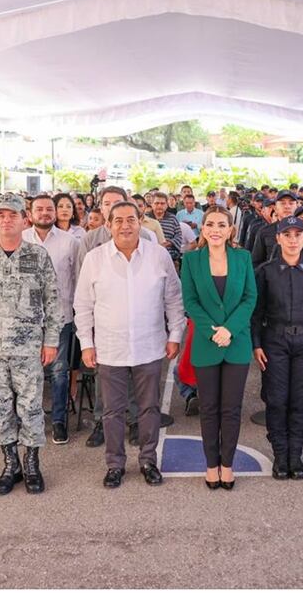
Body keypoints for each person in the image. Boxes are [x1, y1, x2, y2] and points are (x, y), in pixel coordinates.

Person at [74, 201, 185, 489]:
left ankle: (148, 460)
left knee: (149, 409)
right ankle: (115, 465)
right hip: (110, 349)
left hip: (149, 347)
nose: (125, 226)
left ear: (140, 222)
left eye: (131, 220)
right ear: (108, 225)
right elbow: (83, 305)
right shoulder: (95, 259)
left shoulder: (158, 255)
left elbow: (173, 299)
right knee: (112, 411)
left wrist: (175, 335)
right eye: (118, 220)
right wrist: (86, 343)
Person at [0, 193, 62, 495]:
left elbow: (53, 300)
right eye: (1, 215)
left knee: (30, 407)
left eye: (13, 215)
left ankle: (32, 464)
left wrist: (51, 340)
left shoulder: (38, 255)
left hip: (29, 347)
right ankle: (11, 465)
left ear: (24, 220)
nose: (6, 220)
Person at [75, 186, 158, 448]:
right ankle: (101, 422)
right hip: (104, 324)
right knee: (106, 380)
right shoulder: (90, 240)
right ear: (102, 210)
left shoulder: (145, 236)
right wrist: (88, 334)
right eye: (107, 204)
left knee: (136, 377)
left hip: (140, 325)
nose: (113, 208)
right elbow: (83, 286)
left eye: (118, 203)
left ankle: (134, 422)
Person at [181, 207, 257, 490]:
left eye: (221, 225)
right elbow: (190, 301)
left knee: (231, 409)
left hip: (236, 343)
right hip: (206, 342)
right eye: (210, 224)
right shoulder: (191, 260)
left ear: (230, 230)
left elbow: (250, 297)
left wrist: (229, 329)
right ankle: (211, 465)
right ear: (203, 228)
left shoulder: (243, 257)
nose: (215, 229)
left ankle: (228, 465)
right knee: (209, 408)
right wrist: (213, 331)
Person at [251, 216, 303, 480]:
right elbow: (256, 313)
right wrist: (256, 344)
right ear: (278, 238)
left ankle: (295, 455)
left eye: (298, 234)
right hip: (275, 341)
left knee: (302, 400)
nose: (293, 240)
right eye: (287, 234)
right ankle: (280, 455)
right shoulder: (266, 272)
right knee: (276, 400)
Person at [23, 194, 81, 445]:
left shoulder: (70, 242)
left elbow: (78, 279)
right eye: (40, 209)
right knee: (29, 372)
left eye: (49, 209)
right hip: (26, 320)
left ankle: (58, 421)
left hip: (60, 318)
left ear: (55, 213)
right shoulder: (20, 239)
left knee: (59, 372)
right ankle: (31, 422)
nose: (45, 213)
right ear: (30, 214)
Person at [251, 190, 299, 265]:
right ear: (276, 208)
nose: (287, 207)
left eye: (291, 203)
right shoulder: (264, 232)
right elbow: (256, 262)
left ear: (297, 207)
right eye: (283, 203)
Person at [148, 191, 183, 264]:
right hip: (149, 256)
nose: (159, 206)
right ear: (151, 204)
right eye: (156, 203)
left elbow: (179, 236)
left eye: (162, 203)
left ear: (167, 205)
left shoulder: (172, 218)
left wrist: (168, 243)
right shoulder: (146, 218)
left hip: (170, 256)